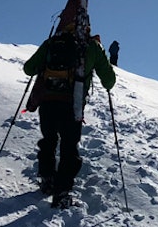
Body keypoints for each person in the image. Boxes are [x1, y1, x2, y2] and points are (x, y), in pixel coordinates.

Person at [23, 24, 116, 207]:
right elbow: (109, 81)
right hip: (72, 103)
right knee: (69, 147)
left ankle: (47, 180)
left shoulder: (51, 43)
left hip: (48, 101)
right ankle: (62, 192)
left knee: (48, 140)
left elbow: (29, 69)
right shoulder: (91, 46)